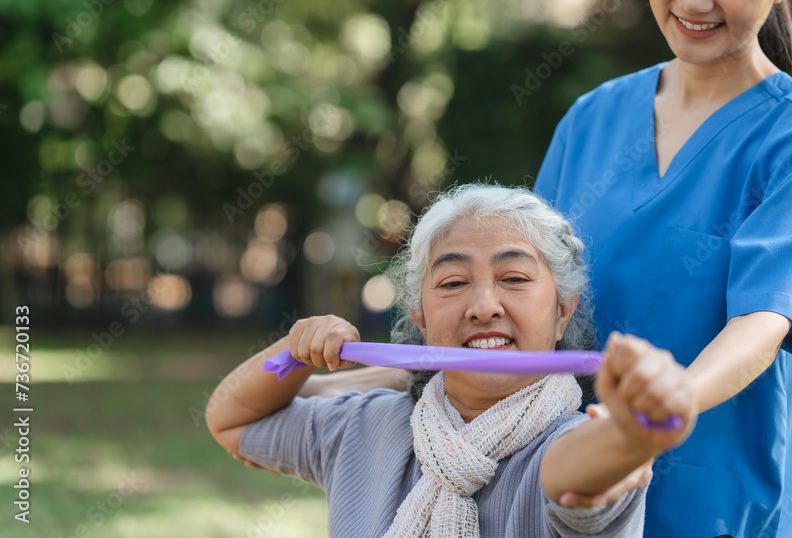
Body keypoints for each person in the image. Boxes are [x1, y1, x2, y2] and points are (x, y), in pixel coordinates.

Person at [533, 0, 792, 535]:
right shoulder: (589, 121)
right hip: (572, 495)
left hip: (715, 507)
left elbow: (764, 323)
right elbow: (528, 301)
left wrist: (665, 410)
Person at [206, 184, 699, 537]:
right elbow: (230, 420)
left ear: (561, 314)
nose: (484, 304)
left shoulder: (571, 441)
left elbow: (580, 476)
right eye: (453, 283)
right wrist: (293, 353)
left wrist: (634, 438)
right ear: (419, 318)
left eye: (515, 278)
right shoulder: (366, 424)